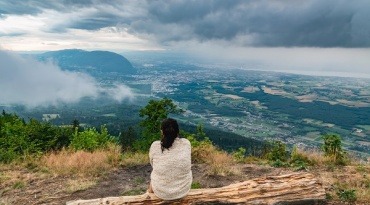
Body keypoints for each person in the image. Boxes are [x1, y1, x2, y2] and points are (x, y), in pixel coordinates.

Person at [148, 118, 192, 200]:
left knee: (156, 172)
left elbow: (153, 164)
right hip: (182, 191)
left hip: (161, 192)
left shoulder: (155, 146)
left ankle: (149, 192)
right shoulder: (186, 143)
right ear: (177, 131)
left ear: (162, 132)